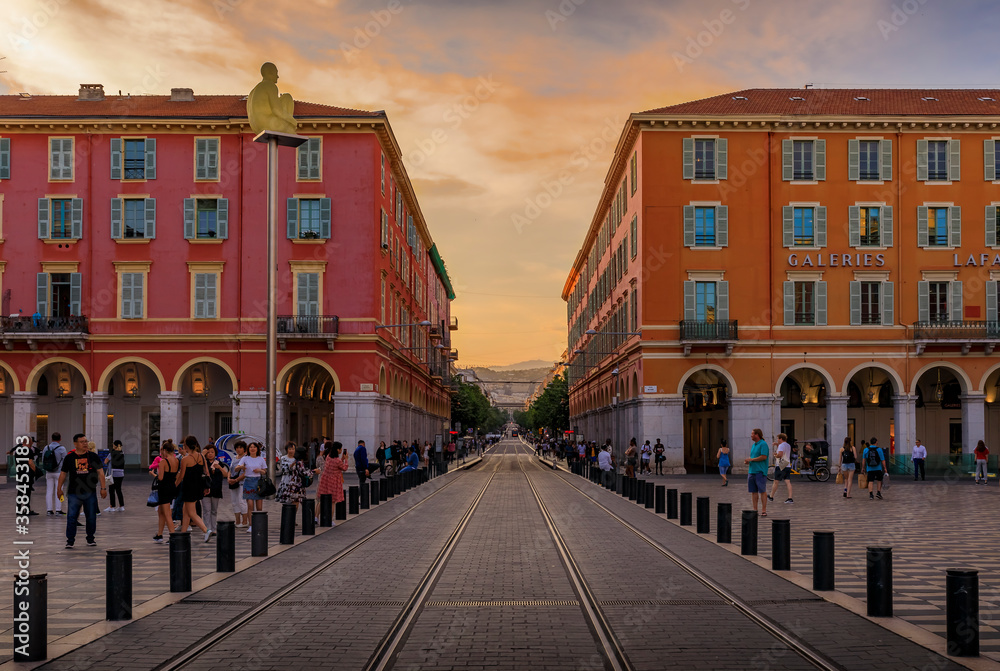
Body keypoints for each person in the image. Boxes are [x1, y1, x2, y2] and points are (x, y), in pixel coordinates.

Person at [56, 433, 107, 548]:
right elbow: (63, 473)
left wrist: (103, 488)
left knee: (91, 516)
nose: (85, 444)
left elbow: (100, 472)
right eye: (82, 442)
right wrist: (59, 489)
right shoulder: (69, 457)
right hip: (74, 492)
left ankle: (90, 538)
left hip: (90, 491)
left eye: (86, 441)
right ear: (75, 444)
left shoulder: (93, 456)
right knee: (72, 516)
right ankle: (70, 540)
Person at [175, 435, 211, 543]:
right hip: (198, 486)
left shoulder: (185, 459)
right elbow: (207, 472)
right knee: (185, 510)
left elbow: (181, 476)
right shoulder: (201, 456)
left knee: (191, 512)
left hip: (188, 487)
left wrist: (174, 485)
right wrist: (207, 487)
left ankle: (206, 530)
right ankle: (183, 533)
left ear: (186, 445)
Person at [317, 442, 349, 523]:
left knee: (322, 499)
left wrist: (341, 459)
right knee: (332, 502)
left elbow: (337, 465)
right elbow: (344, 468)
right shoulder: (337, 460)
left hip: (325, 480)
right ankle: (330, 520)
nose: (341, 450)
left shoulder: (328, 457)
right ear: (338, 449)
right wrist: (346, 460)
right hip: (334, 481)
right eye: (341, 449)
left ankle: (316, 517)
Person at [153, 441, 179, 543]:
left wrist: (154, 475)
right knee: (161, 511)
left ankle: (172, 535)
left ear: (164, 450)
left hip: (164, 488)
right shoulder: (176, 461)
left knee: (167, 513)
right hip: (172, 486)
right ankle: (159, 534)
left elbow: (161, 477)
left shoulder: (163, 462)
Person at [240, 442, 269, 531]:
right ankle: (251, 525)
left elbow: (265, 471)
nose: (252, 449)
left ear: (257, 449)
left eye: (254, 447)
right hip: (248, 481)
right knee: (250, 505)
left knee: (259, 506)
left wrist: (259, 470)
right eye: (251, 447)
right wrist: (240, 468)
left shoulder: (261, 459)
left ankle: (259, 524)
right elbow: (238, 467)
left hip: (258, 482)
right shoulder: (245, 458)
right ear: (248, 449)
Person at [277, 446, 315, 511]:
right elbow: (304, 473)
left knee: (298, 502)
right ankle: (292, 519)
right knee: (296, 503)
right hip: (297, 486)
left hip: (295, 485)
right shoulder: (299, 462)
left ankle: (306, 518)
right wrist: (313, 471)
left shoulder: (295, 462)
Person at [203, 445, 228, 534]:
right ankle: (207, 529)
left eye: (212, 452)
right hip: (205, 489)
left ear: (215, 453)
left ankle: (213, 529)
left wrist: (219, 467)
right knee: (206, 510)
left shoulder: (219, 463)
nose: (210, 454)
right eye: (208, 452)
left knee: (214, 510)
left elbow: (226, 474)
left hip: (216, 489)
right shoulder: (203, 463)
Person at [744, 428, 769, 517]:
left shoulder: (763, 444)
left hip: (760, 471)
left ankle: (764, 510)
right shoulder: (754, 445)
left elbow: (764, 457)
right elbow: (754, 458)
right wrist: (749, 461)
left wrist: (752, 459)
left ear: (757, 435)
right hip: (752, 471)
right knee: (753, 492)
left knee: (762, 491)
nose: (751, 435)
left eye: (752, 434)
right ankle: (755, 509)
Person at [43, 432, 67, 516]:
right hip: (59, 472)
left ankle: (49, 510)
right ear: (60, 439)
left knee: (49, 491)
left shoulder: (46, 447)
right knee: (59, 490)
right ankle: (58, 509)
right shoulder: (62, 448)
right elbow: (65, 461)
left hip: (49, 472)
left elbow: (43, 459)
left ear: (51, 438)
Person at [768, 433, 793, 504]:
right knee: (788, 482)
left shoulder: (781, 445)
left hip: (780, 465)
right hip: (787, 465)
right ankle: (790, 498)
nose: (777, 440)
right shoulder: (788, 445)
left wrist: (775, 454)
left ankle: (771, 496)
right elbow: (784, 450)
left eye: (778, 438)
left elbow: (780, 454)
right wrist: (777, 445)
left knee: (776, 481)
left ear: (781, 439)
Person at [104, 440, 126, 512]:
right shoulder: (122, 453)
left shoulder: (112, 453)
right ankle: (121, 506)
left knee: (111, 490)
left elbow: (105, 461)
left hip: (113, 474)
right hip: (121, 473)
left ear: (115, 445)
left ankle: (112, 506)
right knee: (119, 490)